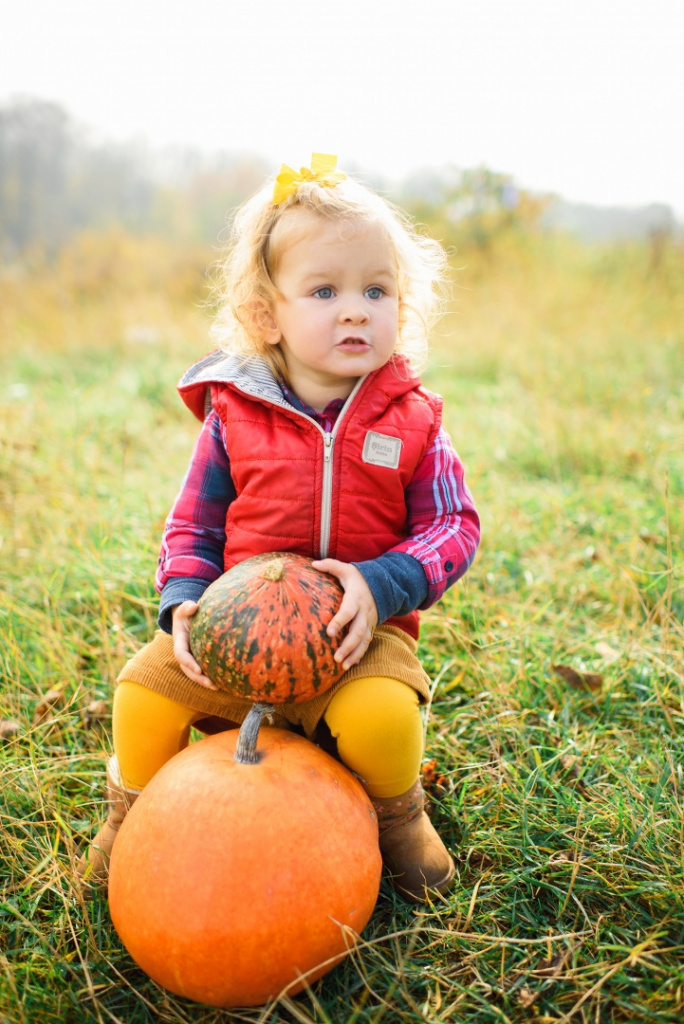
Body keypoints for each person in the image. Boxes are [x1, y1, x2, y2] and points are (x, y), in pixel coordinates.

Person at [79, 153, 480, 902]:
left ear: (403, 304)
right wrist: (185, 602)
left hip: (356, 635)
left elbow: (454, 526)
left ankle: (397, 818)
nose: (356, 309)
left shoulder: (415, 421)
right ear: (268, 316)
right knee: (144, 693)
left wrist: (381, 583)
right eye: (324, 291)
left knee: (383, 715)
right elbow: (191, 528)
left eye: (376, 289)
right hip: (235, 634)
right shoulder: (235, 417)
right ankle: (130, 816)